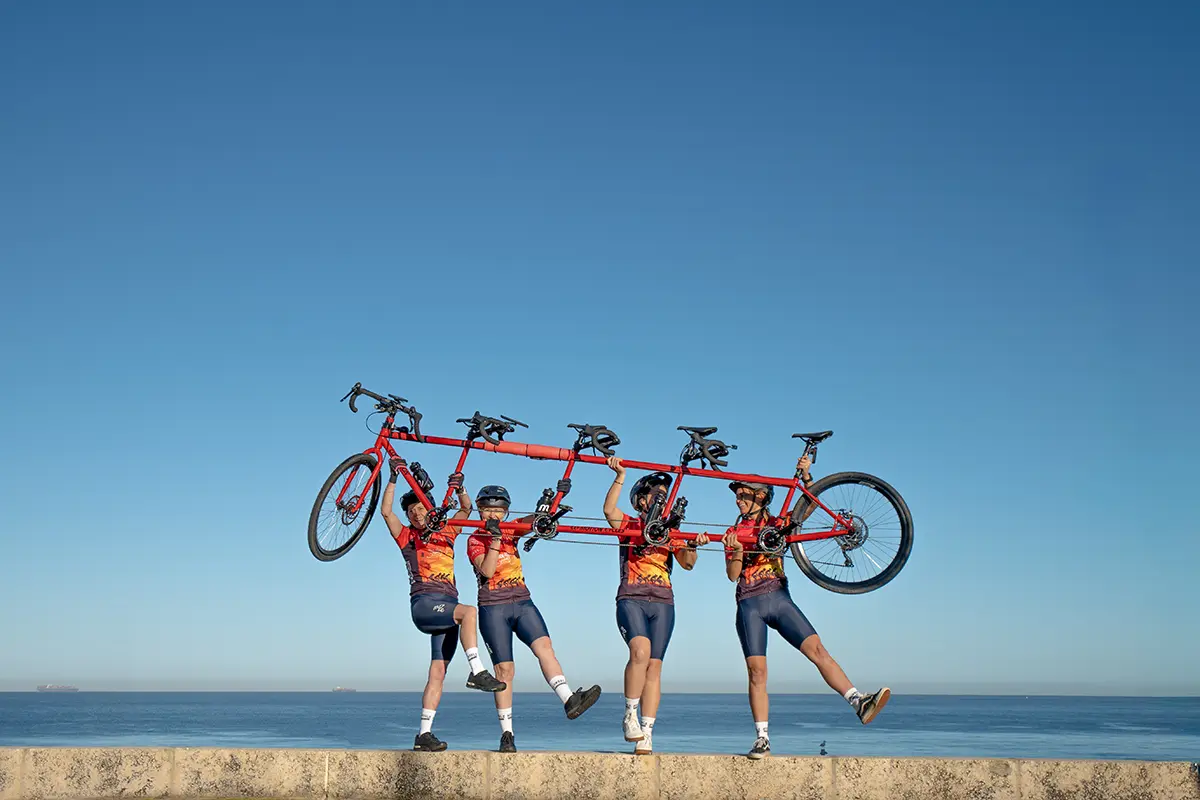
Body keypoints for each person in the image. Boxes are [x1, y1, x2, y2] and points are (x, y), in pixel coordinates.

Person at [721, 455, 890, 759]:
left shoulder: (777, 524)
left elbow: (807, 507)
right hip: (749, 603)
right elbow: (732, 575)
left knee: (818, 651)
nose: (738, 500)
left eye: (743, 494)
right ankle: (762, 739)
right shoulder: (733, 531)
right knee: (757, 672)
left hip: (778, 597)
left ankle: (858, 701)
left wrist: (808, 477)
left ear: (760, 496)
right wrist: (735, 550)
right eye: (736, 495)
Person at [379, 456, 506, 752]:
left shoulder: (447, 531)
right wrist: (393, 478)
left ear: (431, 509)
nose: (416, 514)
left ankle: (423, 734)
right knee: (469, 612)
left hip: (447, 609)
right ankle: (477, 671)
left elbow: (465, 509)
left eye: (420, 508)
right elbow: (386, 512)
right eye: (411, 511)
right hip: (425, 605)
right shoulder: (407, 537)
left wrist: (461, 488)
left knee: (437, 672)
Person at [466, 484, 603, 753]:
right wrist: (495, 540)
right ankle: (507, 734)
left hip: (522, 601)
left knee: (545, 647)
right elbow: (488, 570)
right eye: (488, 510)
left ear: (505, 512)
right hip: (493, 606)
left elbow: (536, 520)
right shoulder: (474, 539)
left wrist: (553, 500)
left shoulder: (511, 529)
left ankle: (569, 699)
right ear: (480, 511)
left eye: (499, 511)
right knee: (505, 671)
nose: (494, 515)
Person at [603, 456, 709, 755]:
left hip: (663, 601)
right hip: (632, 597)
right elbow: (609, 510)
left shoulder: (670, 530)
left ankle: (647, 732)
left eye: (664, 494)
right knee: (640, 651)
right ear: (642, 499)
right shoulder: (630, 524)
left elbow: (687, 563)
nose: (661, 498)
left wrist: (693, 545)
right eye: (655, 494)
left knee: (655, 666)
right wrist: (620, 476)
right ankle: (629, 715)